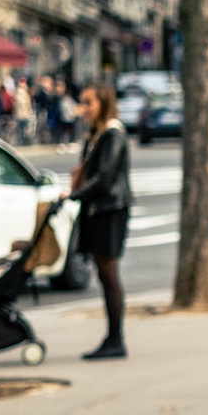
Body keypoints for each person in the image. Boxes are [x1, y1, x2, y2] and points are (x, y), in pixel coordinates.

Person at [67, 83, 131, 360]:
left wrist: (76, 195)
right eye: (82, 102)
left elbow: (104, 177)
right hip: (100, 210)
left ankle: (115, 339)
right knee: (105, 276)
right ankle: (113, 338)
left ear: (103, 103)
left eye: (89, 103)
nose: (84, 109)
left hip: (110, 210)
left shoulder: (113, 134)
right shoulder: (97, 134)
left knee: (109, 275)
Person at [12, 78, 34, 145]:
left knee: (25, 129)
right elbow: (19, 103)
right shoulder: (18, 92)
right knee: (21, 129)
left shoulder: (26, 92)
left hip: (25, 114)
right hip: (21, 114)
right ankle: (22, 141)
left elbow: (28, 104)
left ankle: (25, 141)